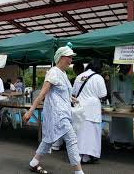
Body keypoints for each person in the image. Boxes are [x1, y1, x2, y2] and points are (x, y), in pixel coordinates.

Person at [23, 45, 84, 174]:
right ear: (61, 58)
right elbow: (42, 94)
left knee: (48, 139)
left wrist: (72, 98)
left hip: (63, 112)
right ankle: (79, 172)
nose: (71, 60)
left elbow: (62, 93)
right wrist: (30, 110)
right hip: (57, 114)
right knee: (71, 140)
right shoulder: (53, 72)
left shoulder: (64, 73)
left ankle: (33, 163)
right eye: (69, 57)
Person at [73, 58, 107, 163]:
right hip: (92, 109)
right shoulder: (98, 77)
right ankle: (87, 156)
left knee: (80, 132)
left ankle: (78, 155)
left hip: (79, 108)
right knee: (91, 133)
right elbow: (103, 94)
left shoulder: (79, 76)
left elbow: (73, 93)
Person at [110, 65, 133, 149]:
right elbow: (115, 92)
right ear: (121, 68)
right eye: (125, 68)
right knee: (118, 124)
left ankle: (127, 141)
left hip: (128, 104)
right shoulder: (116, 77)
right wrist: (123, 102)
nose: (127, 69)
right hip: (118, 104)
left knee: (127, 123)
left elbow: (130, 90)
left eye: (128, 68)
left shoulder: (130, 78)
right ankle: (116, 142)